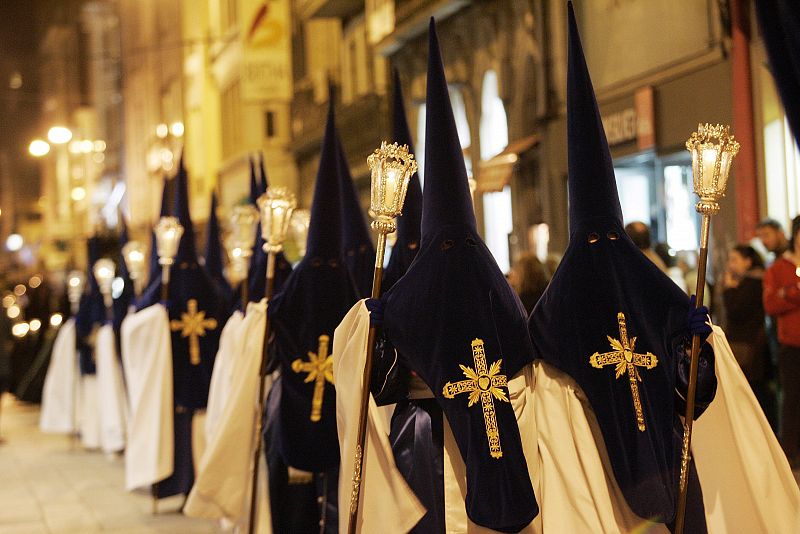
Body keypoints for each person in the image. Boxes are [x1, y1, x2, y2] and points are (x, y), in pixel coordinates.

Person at [722, 245, 777, 427]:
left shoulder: (752, 283)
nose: (730, 264)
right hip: (748, 343)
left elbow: (736, 311)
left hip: (748, 344)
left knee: (753, 389)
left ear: (748, 261)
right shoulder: (747, 281)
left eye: (735, 260)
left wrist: (729, 289)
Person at [764, 215, 800, 466]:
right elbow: (770, 304)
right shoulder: (779, 268)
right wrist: (793, 292)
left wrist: (787, 294)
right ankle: (791, 452)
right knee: (792, 398)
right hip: (791, 342)